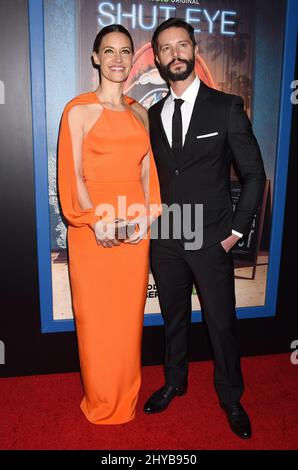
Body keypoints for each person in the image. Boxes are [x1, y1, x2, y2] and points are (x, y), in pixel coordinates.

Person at [143, 18, 266, 439]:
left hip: (211, 236)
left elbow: (253, 175)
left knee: (221, 322)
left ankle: (231, 397)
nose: (174, 54)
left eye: (182, 45)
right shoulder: (152, 114)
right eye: (165, 48)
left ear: (194, 50)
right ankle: (175, 381)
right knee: (173, 318)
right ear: (157, 57)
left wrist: (235, 232)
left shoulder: (226, 106)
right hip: (167, 236)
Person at [58, 24, 161, 425]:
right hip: (93, 230)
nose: (117, 59)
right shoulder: (78, 109)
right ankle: (102, 402)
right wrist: (96, 221)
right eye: (109, 51)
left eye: (125, 51)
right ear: (96, 58)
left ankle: (125, 397)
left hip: (134, 230)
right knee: (97, 319)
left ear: (132, 58)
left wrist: (148, 215)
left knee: (127, 319)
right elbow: (73, 174)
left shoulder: (139, 111)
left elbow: (147, 170)